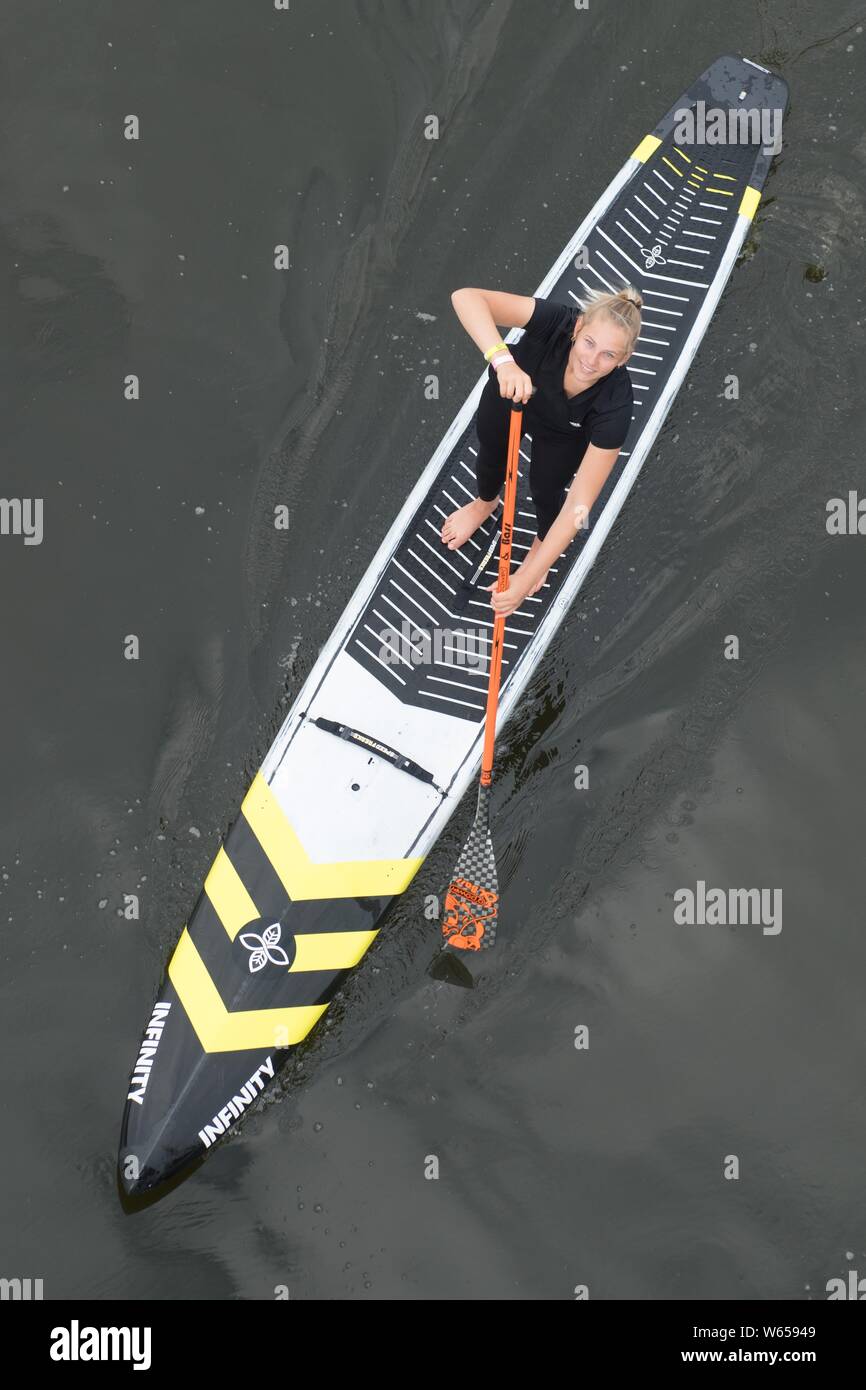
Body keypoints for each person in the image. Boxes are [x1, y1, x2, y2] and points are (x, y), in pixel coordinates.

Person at [441, 285, 641, 615]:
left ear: (624, 360)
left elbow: (579, 505)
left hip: (563, 435)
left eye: (608, 355)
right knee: (491, 453)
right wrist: (503, 361)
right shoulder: (558, 320)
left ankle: (540, 545)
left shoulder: (615, 407)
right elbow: (464, 297)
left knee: (546, 489)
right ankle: (485, 504)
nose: (591, 361)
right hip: (512, 393)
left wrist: (527, 578)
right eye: (589, 343)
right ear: (577, 328)